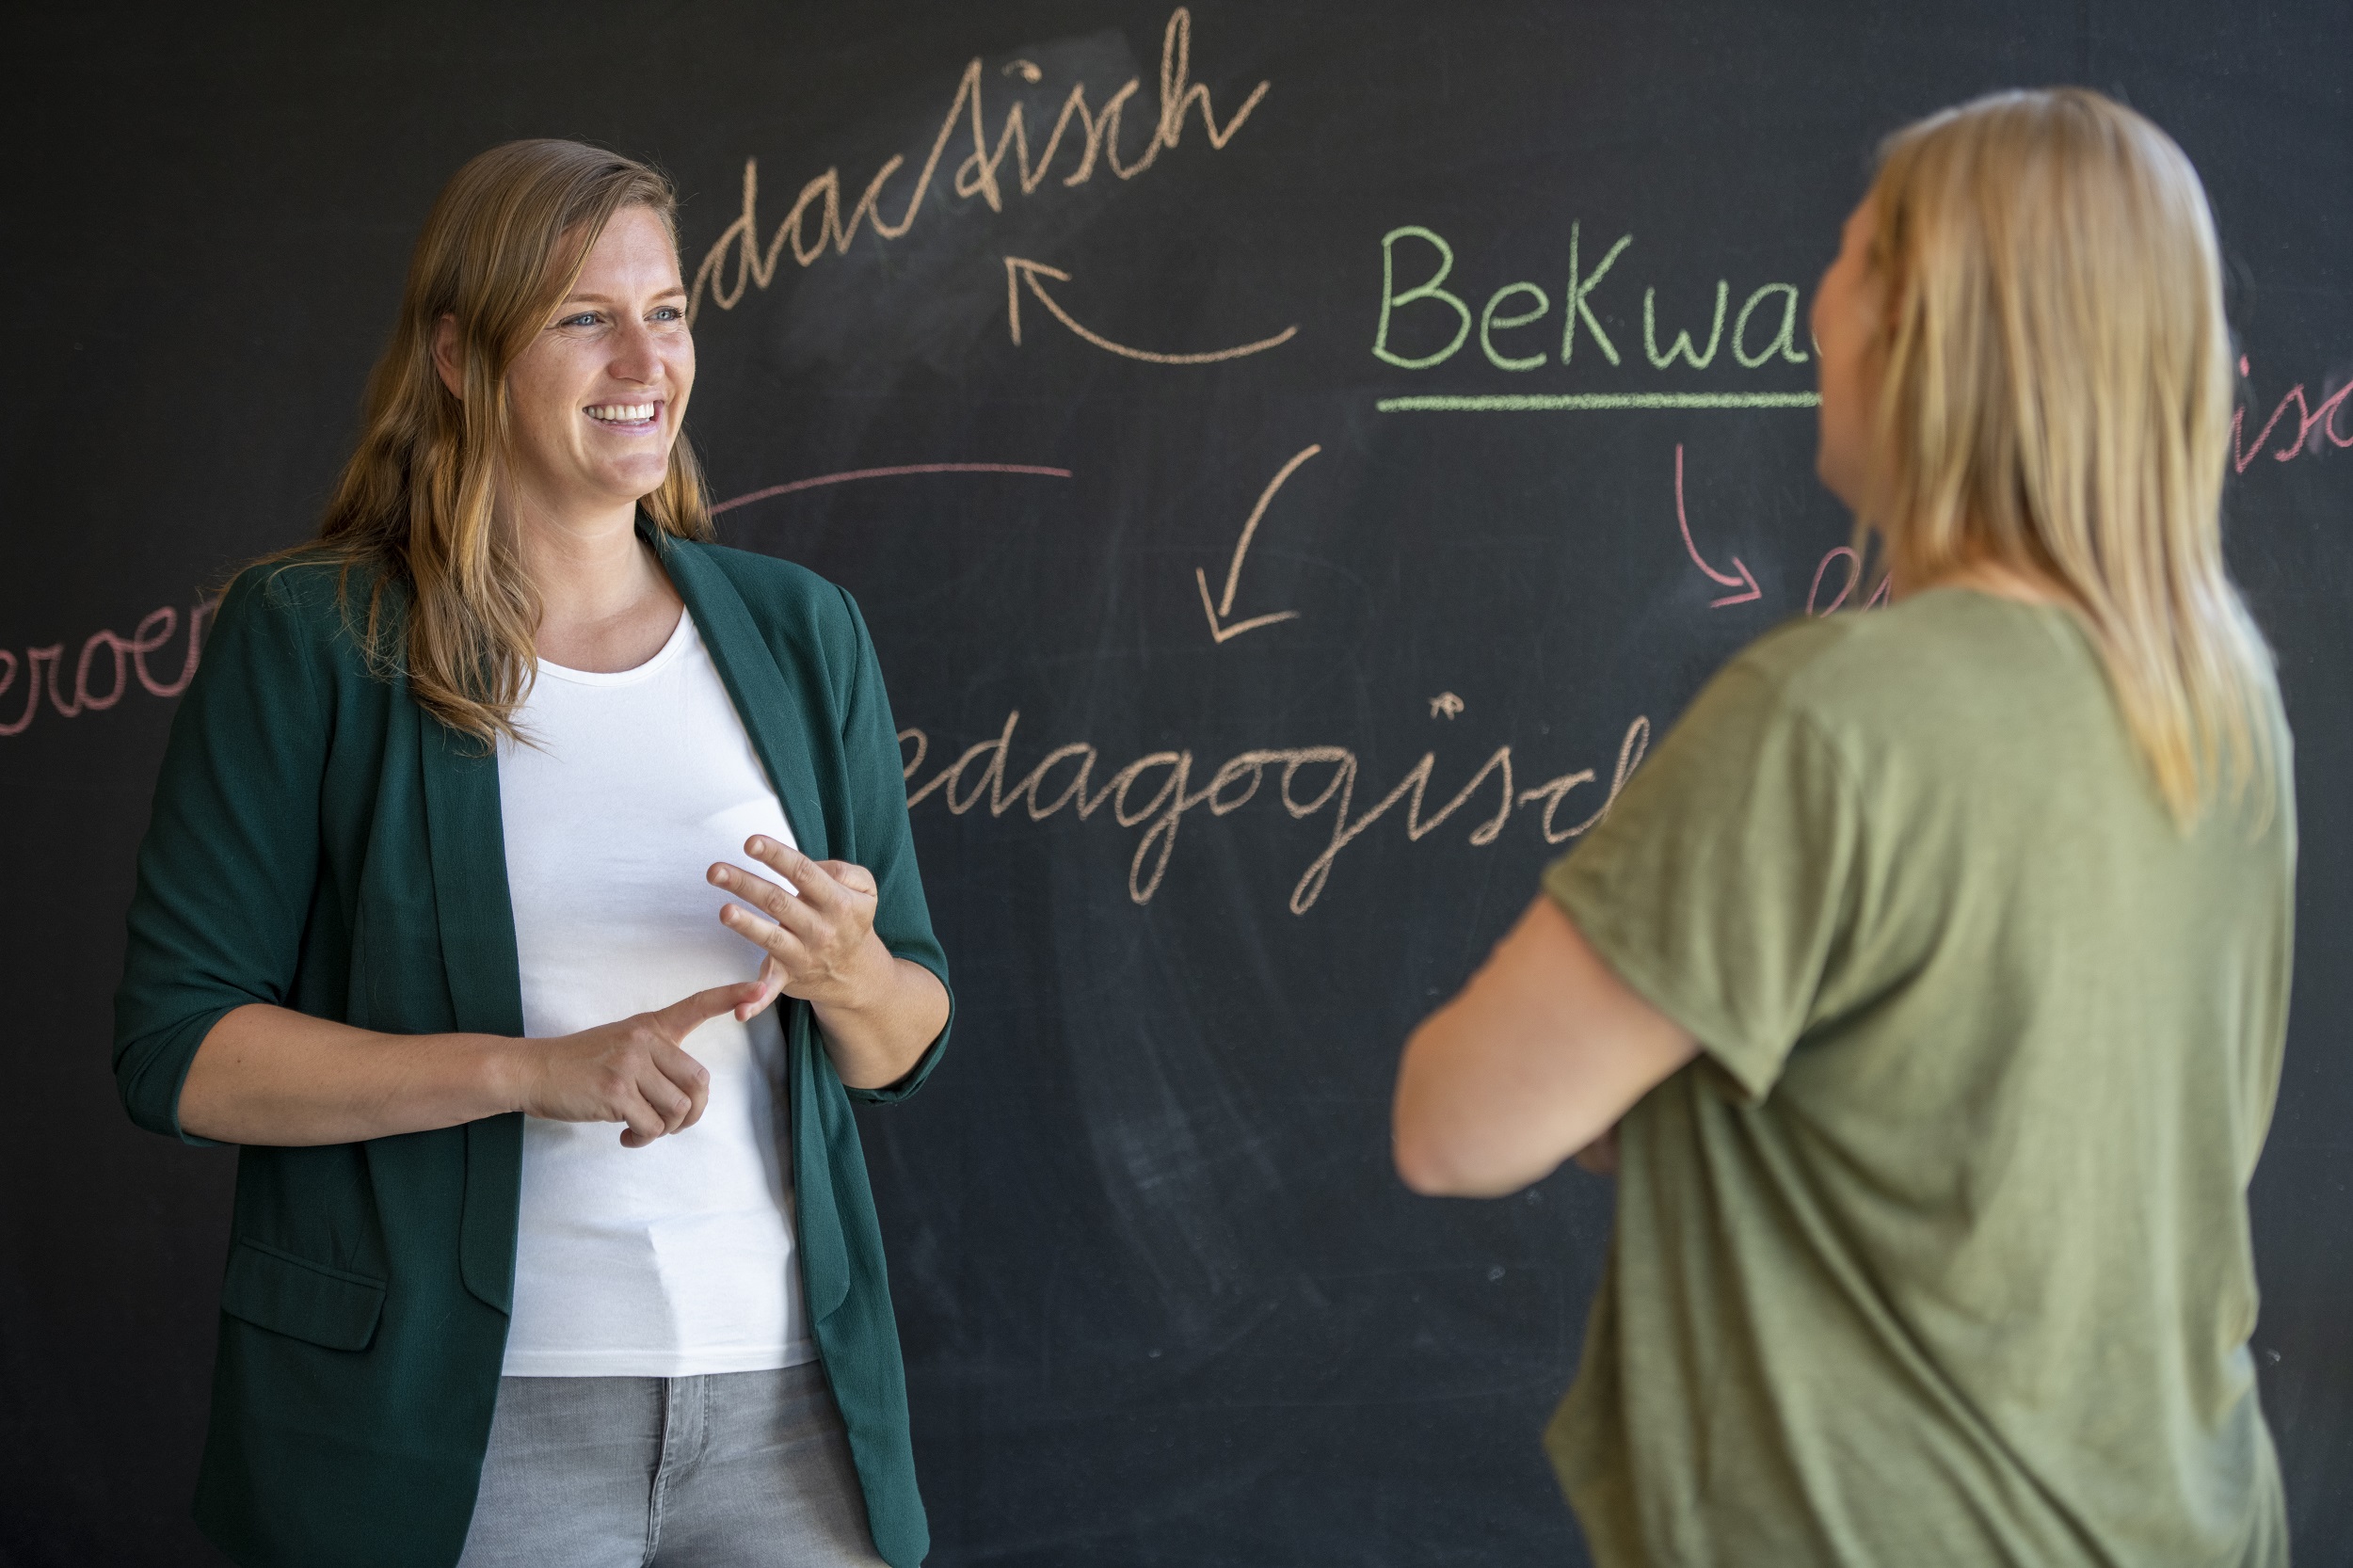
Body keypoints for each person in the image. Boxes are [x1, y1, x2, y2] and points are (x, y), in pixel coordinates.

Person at [1391, 88, 2291, 1568]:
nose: (1815, 304)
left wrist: (1655, 1071)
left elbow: (1456, 1120)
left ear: (1939, 334)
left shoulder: (1826, 719)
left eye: (1859, 258)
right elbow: (2002, 1118)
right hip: (2171, 1513)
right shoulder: (2221, 704)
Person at [112, 139, 952, 1568]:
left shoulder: (802, 631)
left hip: (787, 1413)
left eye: (669, 310)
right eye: (584, 315)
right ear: (459, 351)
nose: (645, 357)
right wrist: (532, 1070)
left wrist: (850, 966)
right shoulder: (311, 636)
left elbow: (903, 1036)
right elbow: (179, 1053)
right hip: (455, 1427)